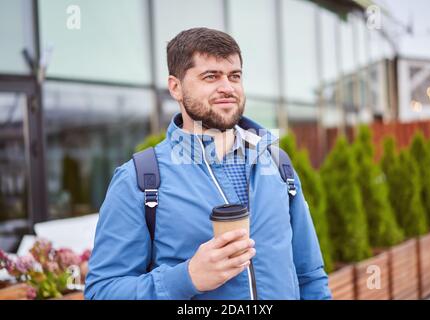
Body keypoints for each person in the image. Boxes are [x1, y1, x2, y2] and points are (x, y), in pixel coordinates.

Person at [84, 27, 332, 300]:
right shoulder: (140, 179)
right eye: (211, 76)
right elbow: (102, 291)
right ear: (175, 87)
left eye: (234, 76)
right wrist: (187, 278)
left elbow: (309, 275)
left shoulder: (277, 164)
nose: (227, 87)